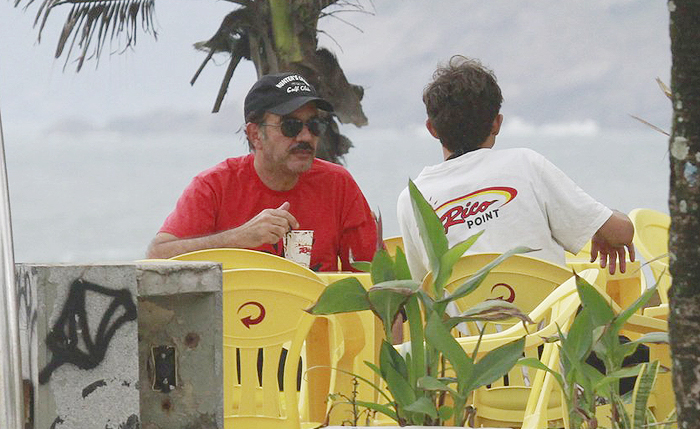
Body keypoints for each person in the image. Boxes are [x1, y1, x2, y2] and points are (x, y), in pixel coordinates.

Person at [397, 55, 635, 282]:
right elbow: (621, 233)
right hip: (550, 324)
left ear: (432, 129)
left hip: (462, 325)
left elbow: (423, 286)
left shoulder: (412, 199)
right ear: (497, 123)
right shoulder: (526, 165)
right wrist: (598, 224)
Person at [147, 72, 377, 271]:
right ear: (255, 134)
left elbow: (379, 281)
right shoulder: (215, 185)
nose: (306, 137)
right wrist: (237, 239)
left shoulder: (337, 184)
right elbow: (157, 256)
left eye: (314, 125)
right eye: (291, 126)